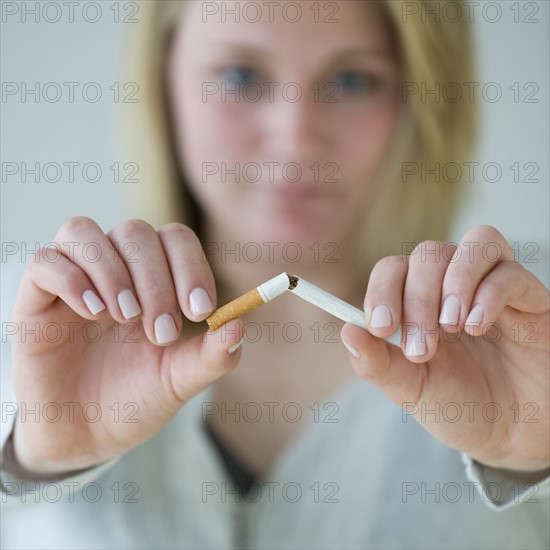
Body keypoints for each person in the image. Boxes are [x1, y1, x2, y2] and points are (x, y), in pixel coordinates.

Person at [1, 1, 548, 548]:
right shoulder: (37, 314)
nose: (296, 141)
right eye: (240, 76)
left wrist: (537, 459)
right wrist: (36, 461)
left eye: (353, 79)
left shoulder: (521, 328)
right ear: (162, 80)